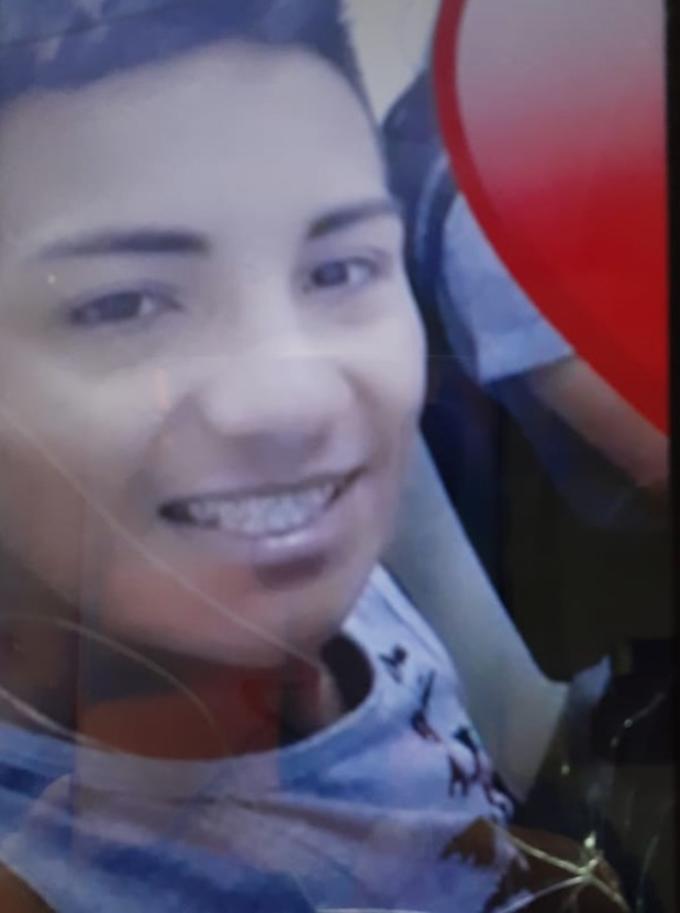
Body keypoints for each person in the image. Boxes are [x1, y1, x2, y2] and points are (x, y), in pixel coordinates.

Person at [0, 3, 630, 912]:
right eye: (123, 304)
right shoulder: (45, 871)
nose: (293, 401)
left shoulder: (317, 578)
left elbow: (456, 824)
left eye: (337, 269)